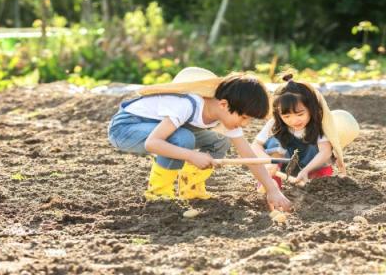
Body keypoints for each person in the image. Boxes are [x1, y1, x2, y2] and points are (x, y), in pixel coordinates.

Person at [107, 67, 291, 211]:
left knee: (220, 140)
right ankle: (159, 194)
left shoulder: (225, 115)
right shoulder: (186, 104)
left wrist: (272, 189)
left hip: (159, 129)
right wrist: (191, 156)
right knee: (182, 138)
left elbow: (249, 155)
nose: (245, 124)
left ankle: (190, 188)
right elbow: (153, 143)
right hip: (126, 128)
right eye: (244, 118)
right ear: (224, 105)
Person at [251, 74, 359, 188]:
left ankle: (316, 178)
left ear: (311, 109)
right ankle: (272, 182)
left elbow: (325, 152)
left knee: (316, 149)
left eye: (300, 114)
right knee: (274, 141)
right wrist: (269, 162)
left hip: (313, 166)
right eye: (286, 116)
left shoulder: (319, 124)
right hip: (285, 166)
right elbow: (255, 145)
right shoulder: (275, 123)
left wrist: (306, 171)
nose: (294, 121)